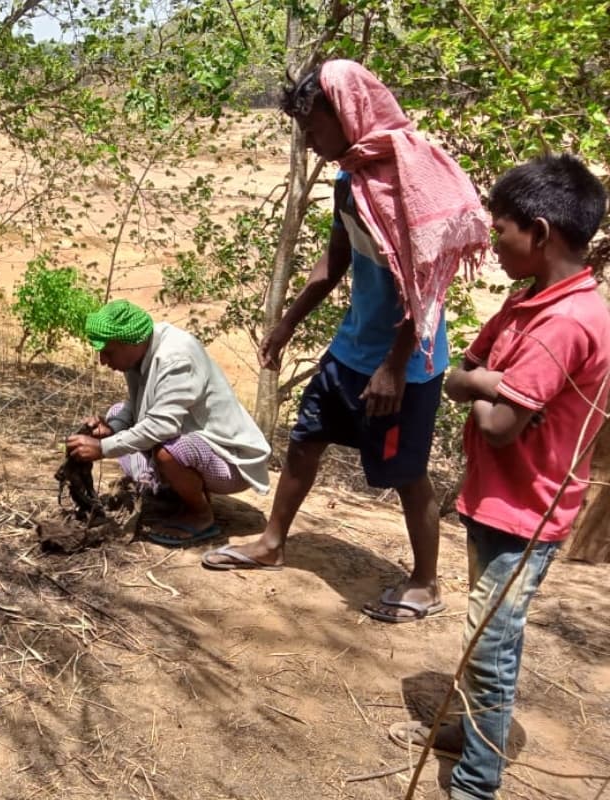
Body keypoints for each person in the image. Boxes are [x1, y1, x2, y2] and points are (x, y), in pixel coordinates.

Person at [202, 60, 489, 625]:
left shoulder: (409, 180)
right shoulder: (350, 181)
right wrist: (287, 322)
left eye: (313, 128)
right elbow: (335, 262)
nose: (309, 143)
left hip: (406, 364)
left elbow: (427, 287)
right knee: (306, 440)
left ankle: (427, 583)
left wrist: (393, 366)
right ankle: (272, 541)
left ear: (346, 113)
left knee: (405, 473)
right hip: (351, 350)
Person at [389, 154, 610, 799]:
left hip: (526, 510)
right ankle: (470, 729)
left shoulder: (566, 323)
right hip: (497, 500)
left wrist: (483, 385)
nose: (495, 240)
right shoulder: (529, 302)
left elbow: (497, 424)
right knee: (483, 633)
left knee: (491, 646)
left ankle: (477, 782)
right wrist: (487, 382)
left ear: (539, 233)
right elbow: (463, 371)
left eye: (502, 227)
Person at [66, 300, 271, 545]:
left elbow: (162, 426)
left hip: (231, 462)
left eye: (108, 352)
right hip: (197, 443)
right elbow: (136, 405)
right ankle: (173, 490)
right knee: (117, 412)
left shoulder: (175, 357)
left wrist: (103, 448)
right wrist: (112, 429)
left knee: (169, 452)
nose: (103, 360)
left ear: (131, 342)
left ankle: (201, 516)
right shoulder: (138, 356)